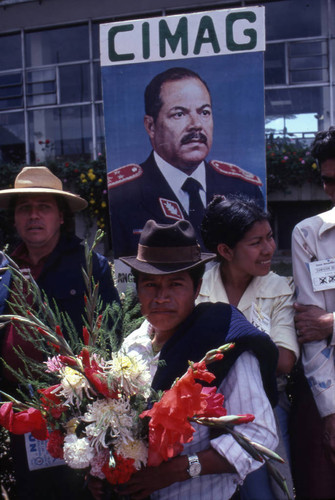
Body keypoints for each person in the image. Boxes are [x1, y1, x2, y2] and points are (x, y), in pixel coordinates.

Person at [88, 218, 278, 500]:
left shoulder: (222, 344)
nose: (162, 297)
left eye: (175, 284)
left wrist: (179, 469)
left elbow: (260, 436)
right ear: (137, 289)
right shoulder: (131, 347)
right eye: (150, 284)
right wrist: (102, 472)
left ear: (197, 287)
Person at [0, 165, 120, 500]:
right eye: (25, 208)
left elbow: (109, 336)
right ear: (15, 217)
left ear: (61, 217)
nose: (33, 216)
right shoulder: (4, 267)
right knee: (33, 488)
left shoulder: (87, 264)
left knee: (78, 489)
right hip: (21, 408)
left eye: (44, 207)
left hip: (74, 409)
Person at [197, 194, 299, 499]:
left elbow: (285, 360)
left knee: (267, 489)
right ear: (225, 250)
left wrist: (226, 342)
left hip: (266, 402)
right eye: (256, 242)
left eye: (269, 237)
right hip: (203, 408)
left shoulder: (278, 288)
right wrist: (252, 343)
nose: (268, 248)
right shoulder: (198, 288)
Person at [107, 67, 264, 258]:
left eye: (204, 112)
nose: (196, 124)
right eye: (179, 114)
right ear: (151, 126)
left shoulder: (244, 188)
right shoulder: (123, 195)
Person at [291, 126, 335, 499]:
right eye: (328, 181)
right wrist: (330, 411)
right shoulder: (309, 234)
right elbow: (309, 329)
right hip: (326, 384)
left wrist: (331, 323)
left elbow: (321, 322)